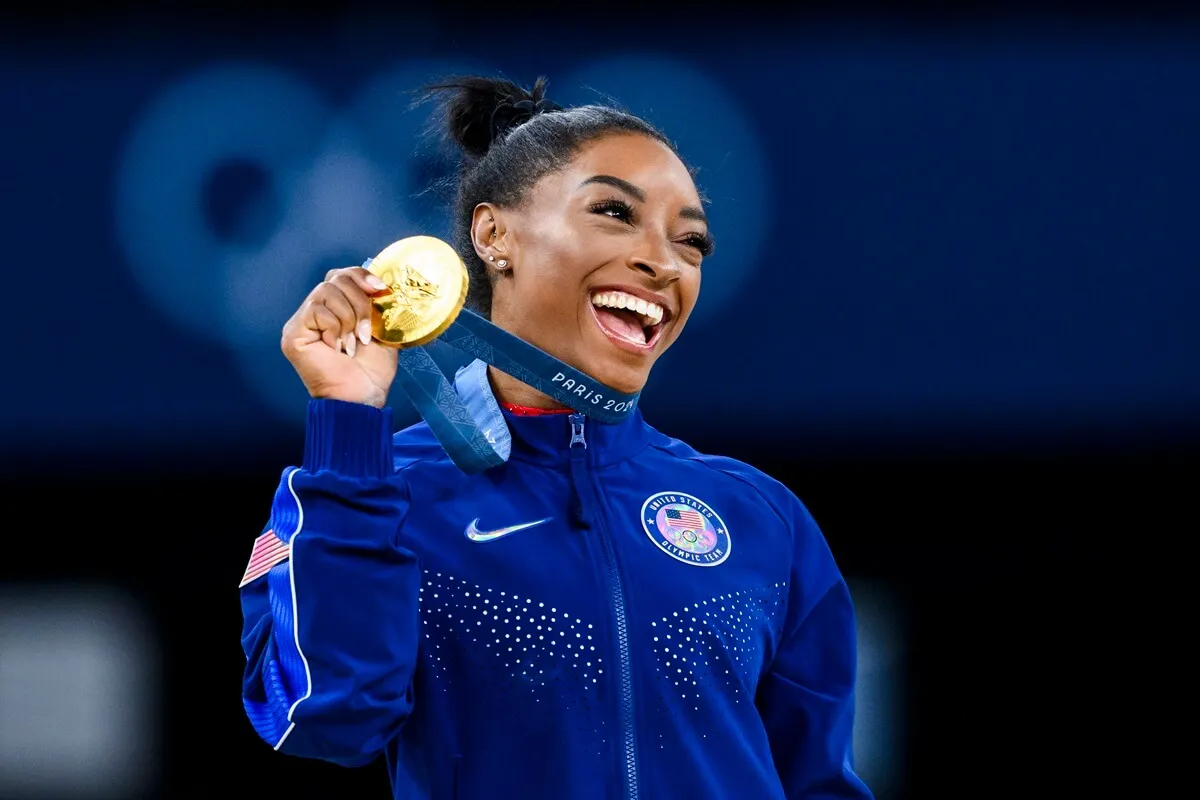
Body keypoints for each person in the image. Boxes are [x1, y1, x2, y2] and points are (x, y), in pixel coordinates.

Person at [239, 73, 873, 800]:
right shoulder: (372, 491)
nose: (664, 263)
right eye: (613, 211)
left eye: (691, 241)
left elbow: (821, 782)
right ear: (493, 235)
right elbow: (326, 716)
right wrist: (349, 420)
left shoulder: (761, 518)